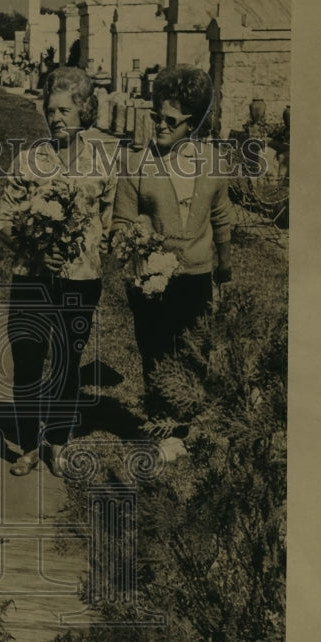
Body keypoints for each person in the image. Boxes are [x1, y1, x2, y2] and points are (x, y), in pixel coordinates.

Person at [0, 67, 116, 477]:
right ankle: (27, 444)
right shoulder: (29, 160)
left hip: (81, 280)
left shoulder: (102, 163)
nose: (57, 118)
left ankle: (58, 443)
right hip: (31, 277)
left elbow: (110, 218)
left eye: (65, 110)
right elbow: (3, 219)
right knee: (27, 361)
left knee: (67, 361)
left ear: (85, 111)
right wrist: (33, 248)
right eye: (51, 110)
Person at [111, 63, 233, 414]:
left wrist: (224, 264)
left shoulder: (212, 162)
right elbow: (120, 222)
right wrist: (137, 250)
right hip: (152, 282)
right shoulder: (136, 164)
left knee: (194, 350)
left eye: (171, 121)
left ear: (192, 123)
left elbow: (221, 217)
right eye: (156, 117)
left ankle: (187, 421)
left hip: (196, 277)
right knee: (156, 350)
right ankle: (162, 421)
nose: (161, 126)